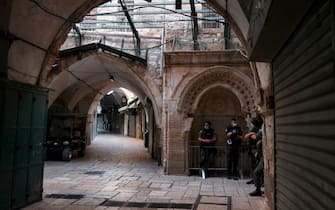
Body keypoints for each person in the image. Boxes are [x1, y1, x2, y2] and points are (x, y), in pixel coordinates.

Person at [243, 117, 263, 184]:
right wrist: (250, 134)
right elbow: (246, 136)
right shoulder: (254, 129)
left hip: (255, 149)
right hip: (252, 149)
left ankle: (258, 181)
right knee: (253, 166)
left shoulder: (256, 129)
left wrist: (250, 134)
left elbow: (254, 137)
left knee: (256, 166)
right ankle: (254, 179)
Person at [249, 132, 264, 196]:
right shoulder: (260, 142)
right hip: (262, 159)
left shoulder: (260, 142)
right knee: (258, 172)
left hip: (263, 159)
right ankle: (259, 190)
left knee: (256, 172)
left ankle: (258, 191)